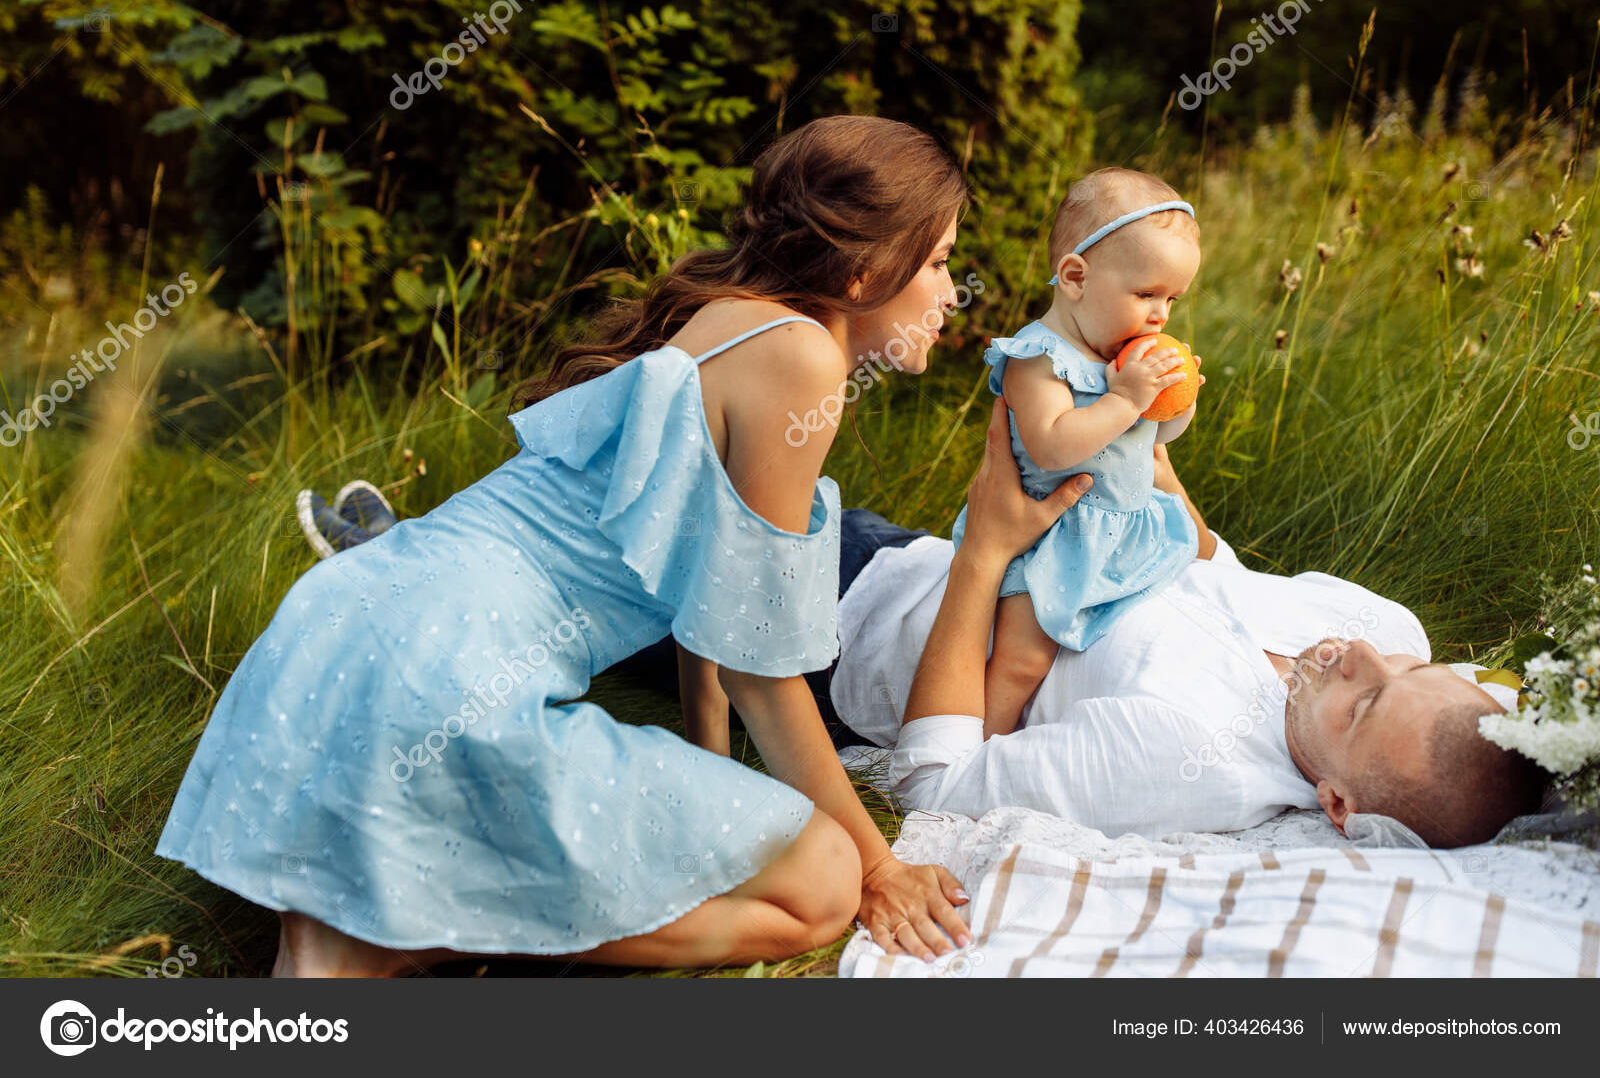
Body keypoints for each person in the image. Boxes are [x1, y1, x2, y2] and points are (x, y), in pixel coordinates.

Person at [156, 115, 1077, 974]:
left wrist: (720, 788)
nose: (954, 293)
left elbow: (715, 621)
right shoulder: (805, 361)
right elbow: (762, 671)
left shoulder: (733, 317)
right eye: (941, 262)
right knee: (826, 883)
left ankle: (366, 920)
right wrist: (881, 868)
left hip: (340, 624)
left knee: (774, 849)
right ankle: (404, 938)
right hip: (443, 679)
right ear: (863, 271)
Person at [827, 434, 1549, 850]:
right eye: (1408, 668)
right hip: (902, 548)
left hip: (838, 626)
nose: (1358, 655)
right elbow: (1217, 574)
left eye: (1363, 705)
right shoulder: (1393, 629)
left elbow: (936, 786)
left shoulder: (1190, 755)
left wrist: (986, 551)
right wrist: (1144, 451)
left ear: (1336, 804)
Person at [948, 168, 1207, 738]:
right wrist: (1125, 398)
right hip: (1051, 539)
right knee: (1023, 661)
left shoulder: (1123, 356)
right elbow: (1053, 445)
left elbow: (1154, 441)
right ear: (1074, 277)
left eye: (1171, 299)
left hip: (1126, 531)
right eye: (1145, 294)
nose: (1160, 316)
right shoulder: (1038, 356)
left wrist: (1174, 401)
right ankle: (976, 750)